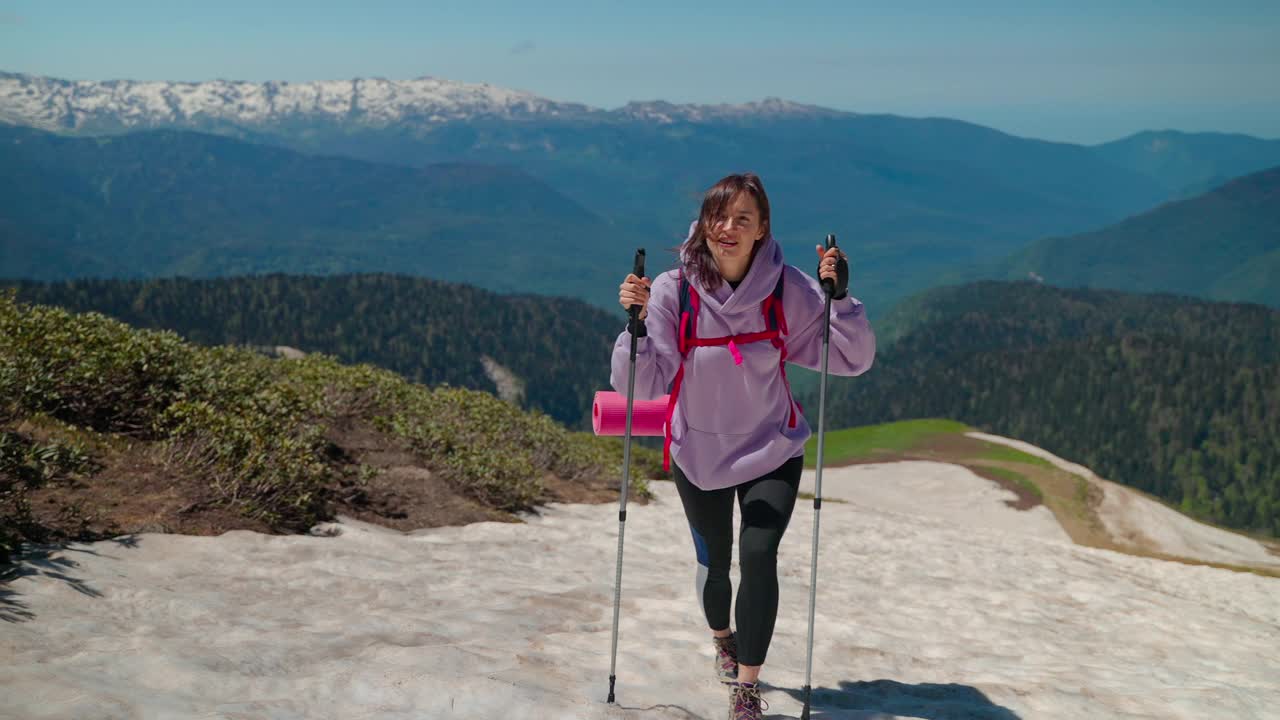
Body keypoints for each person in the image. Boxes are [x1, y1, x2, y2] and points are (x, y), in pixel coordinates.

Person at [610, 172, 876, 719]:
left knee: (759, 556)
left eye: (743, 220)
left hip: (772, 446)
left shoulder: (790, 288)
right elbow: (641, 386)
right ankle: (722, 637)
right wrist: (634, 329)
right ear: (704, 222)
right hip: (698, 452)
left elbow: (850, 359)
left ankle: (747, 687)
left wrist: (840, 299)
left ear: (762, 230)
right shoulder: (672, 289)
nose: (727, 228)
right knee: (716, 565)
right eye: (719, 217)